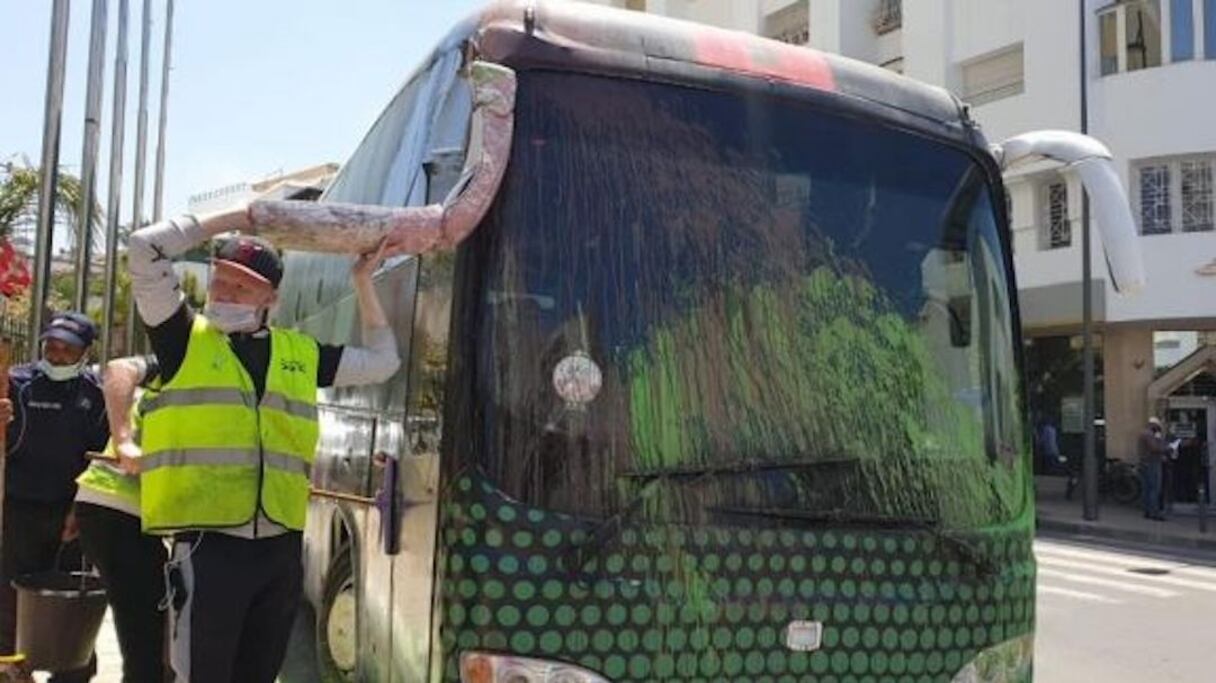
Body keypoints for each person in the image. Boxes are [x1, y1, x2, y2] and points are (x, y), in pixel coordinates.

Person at [125, 207, 400, 682]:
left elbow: (383, 361)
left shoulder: (301, 353)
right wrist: (237, 217)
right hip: (208, 548)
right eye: (220, 280)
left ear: (270, 297)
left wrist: (363, 282)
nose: (225, 292)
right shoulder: (181, 339)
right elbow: (143, 247)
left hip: (280, 549)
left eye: (242, 286)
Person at [0, 312, 108, 682]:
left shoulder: (97, 395)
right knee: (11, 602)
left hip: (71, 516)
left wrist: (82, 508)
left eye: (67, 349)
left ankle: (72, 673)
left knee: (73, 604)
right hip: (17, 511)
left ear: (86, 352)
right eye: (52, 346)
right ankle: (13, 671)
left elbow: (102, 459)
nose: (57, 355)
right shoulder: (15, 383)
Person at [74, 355, 169, 683]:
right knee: (144, 631)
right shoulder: (184, 397)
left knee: (147, 625)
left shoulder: (161, 388)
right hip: (120, 511)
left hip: (108, 509)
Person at [1138, 417, 1171, 521]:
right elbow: (1154, 448)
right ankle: (1154, 512)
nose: (1158, 428)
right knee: (1154, 488)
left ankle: (1147, 511)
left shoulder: (1144, 433)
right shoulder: (1149, 434)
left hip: (1145, 463)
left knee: (1147, 488)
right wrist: (1168, 448)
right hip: (1152, 463)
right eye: (1158, 426)